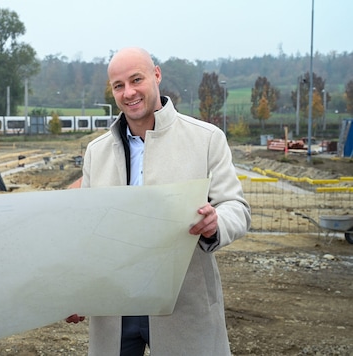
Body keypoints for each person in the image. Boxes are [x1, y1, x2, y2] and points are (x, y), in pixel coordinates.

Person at [66, 47, 251, 355]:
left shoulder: (206, 139)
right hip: (115, 308)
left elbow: (237, 207)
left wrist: (216, 223)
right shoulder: (96, 152)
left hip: (183, 304)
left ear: (156, 75)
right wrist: (76, 290)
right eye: (119, 86)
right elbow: (86, 232)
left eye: (136, 79)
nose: (129, 92)